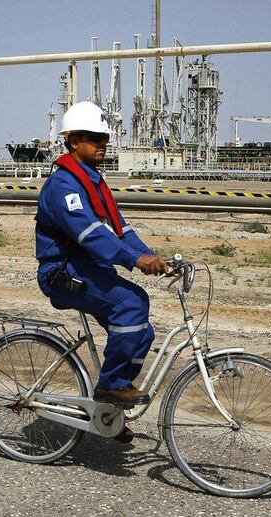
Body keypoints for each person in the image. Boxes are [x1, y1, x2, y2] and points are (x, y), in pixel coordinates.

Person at [35, 101, 167, 429]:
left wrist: (154, 258)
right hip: (62, 272)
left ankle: (108, 413)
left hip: (88, 270)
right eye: (94, 137)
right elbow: (90, 234)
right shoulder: (64, 185)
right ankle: (110, 385)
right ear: (73, 141)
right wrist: (135, 261)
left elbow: (122, 231)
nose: (102, 143)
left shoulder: (94, 182)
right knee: (133, 302)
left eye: (104, 137)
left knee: (142, 332)